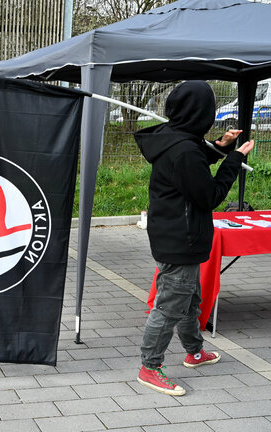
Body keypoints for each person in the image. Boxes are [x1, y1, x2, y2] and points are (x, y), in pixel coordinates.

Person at [134, 80, 255, 396]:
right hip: (180, 238)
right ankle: (149, 367)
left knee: (190, 298)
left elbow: (199, 156)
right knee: (171, 305)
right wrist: (232, 162)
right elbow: (210, 195)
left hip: (174, 233)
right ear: (200, 112)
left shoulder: (175, 137)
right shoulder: (184, 150)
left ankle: (194, 351)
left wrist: (222, 145)